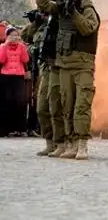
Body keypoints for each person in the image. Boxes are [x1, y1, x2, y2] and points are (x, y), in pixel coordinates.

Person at [36, 0, 101, 161]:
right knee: (66, 106)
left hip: (83, 66)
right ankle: (70, 143)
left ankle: (82, 145)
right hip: (64, 65)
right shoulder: (61, 9)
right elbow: (42, 3)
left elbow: (87, 29)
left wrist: (74, 12)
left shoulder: (87, 10)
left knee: (81, 106)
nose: (71, 0)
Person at [21, 9, 62, 155]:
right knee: (42, 108)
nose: (43, 15)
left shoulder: (60, 22)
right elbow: (26, 36)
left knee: (56, 108)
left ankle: (61, 143)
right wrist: (35, 22)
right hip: (44, 70)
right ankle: (50, 142)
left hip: (59, 69)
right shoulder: (40, 26)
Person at [0, 26, 30, 137]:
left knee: (20, 101)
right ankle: (6, 129)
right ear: (7, 36)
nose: (14, 37)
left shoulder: (21, 46)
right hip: (5, 75)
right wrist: (5, 45)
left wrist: (22, 48)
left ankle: (20, 128)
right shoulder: (2, 46)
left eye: (16, 35)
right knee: (7, 101)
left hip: (18, 75)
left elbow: (25, 59)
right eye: (12, 35)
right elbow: (1, 60)